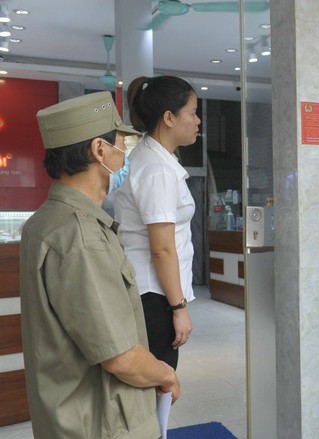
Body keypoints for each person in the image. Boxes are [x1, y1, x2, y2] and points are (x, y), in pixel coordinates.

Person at [21, 91, 180, 439]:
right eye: (121, 143)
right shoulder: (80, 235)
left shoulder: (46, 221)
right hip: (101, 422)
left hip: (69, 413)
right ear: (99, 150)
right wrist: (165, 373)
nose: (124, 152)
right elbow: (120, 358)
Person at [114, 76, 199, 369]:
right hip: (154, 296)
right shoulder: (157, 169)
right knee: (159, 383)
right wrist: (178, 308)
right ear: (169, 118)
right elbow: (162, 248)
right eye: (192, 112)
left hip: (153, 292)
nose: (198, 121)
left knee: (155, 387)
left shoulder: (156, 159)